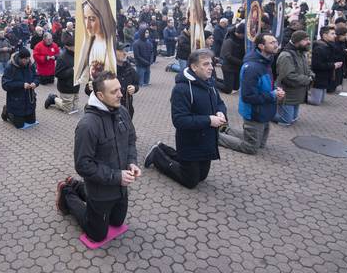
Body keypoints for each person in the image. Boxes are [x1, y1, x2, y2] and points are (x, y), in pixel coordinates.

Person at [55, 71, 139, 243]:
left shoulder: (122, 111)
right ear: (100, 95)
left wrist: (132, 162)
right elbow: (83, 165)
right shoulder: (87, 125)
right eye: (114, 92)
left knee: (116, 222)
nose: (120, 94)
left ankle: (76, 185)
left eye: (120, 89)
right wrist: (117, 176)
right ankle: (67, 192)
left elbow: (131, 140)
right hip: (100, 191)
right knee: (97, 234)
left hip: (120, 189)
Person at [144, 49, 226, 188]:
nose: (211, 67)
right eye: (206, 64)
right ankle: (157, 155)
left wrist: (220, 112)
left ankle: (162, 147)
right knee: (190, 181)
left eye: (211, 64)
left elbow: (219, 103)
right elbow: (179, 120)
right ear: (194, 67)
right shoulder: (181, 89)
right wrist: (209, 120)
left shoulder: (210, 83)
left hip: (207, 140)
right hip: (190, 142)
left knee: (202, 177)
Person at [218, 33, 284, 154]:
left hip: (265, 109)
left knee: (261, 145)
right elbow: (248, 96)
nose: (276, 45)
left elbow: (266, 85)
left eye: (276, 42)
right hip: (255, 112)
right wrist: (273, 95)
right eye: (272, 43)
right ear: (261, 46)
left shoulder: (266, 61)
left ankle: (226, 130)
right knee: (251, 148)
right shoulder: (252, 68)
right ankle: (216, 138)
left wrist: (276, 90)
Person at [76, 0, 117, 84]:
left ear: (103, 18)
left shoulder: (110, 45)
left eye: (92, 19)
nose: (87, 26)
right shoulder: (90, 43)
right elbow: (87, 70)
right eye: (85, 18)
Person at [273, 31, 313, 126]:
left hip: (297, 92)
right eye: (305, 40)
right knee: (286, 120)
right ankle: (264, 114)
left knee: (294, 118)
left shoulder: (301, 52)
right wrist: (307, 79)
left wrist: (312, 75)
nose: (309, 42)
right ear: (297, 41)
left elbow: (306, 69)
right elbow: (288, 77)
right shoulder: (286, 56)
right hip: (288, 94)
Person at [1, 47, 40, 129]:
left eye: (28, 59)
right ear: (20, 58)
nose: (27, 61)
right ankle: (7, 112)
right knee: (19, 125)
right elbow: (5, 85)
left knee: (31, 121)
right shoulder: (10, 67)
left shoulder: (30, 64)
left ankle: (23, 115)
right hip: (16, 100)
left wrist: (35, 83)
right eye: (25, 59)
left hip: (29, 99)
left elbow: (37, 77)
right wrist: (21, 85)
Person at [45, 33, 80, 114]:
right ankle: (53, 98)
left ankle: (62, 102)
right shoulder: (62, 57)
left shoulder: (76, 54)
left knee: (75, 107)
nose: (76, 47)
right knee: (67, 108)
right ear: (67, 46)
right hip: (66, 86)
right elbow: (57, 74)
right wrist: (72, 70)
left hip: (75, 84)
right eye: (74, 46)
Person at [309, 26, 342, 105]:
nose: (335, 35)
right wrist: (333, 65)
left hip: (325, 77)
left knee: (321, 100)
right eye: (332, 34)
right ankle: (301, 97)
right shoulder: (320, 48)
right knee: (316, 101)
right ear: (324, 35)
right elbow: (317, 65)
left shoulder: (329, 46)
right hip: (319, 78)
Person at [218, 23, 245, 94]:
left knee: (236, 87)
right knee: (228, 89)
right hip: (228, 67)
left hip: (237, 67)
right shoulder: (229, 40)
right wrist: (242, 62)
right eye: (244, 34)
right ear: (240, 33)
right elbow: (228, 56)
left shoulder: (242, 40)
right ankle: (214, 82)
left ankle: (222, 81)